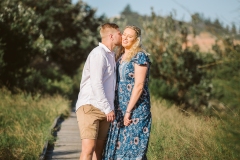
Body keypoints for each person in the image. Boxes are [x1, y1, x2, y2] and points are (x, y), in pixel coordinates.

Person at [103, 25, 152, 159]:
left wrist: (128, 111)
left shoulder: (140, 56)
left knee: (133, 150)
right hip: (119, 109)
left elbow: (139, 86)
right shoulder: (120, 56)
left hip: (136, 110)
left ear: (136, 40)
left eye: (129, 36)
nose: (125, 38)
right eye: (124, 34)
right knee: (119, 149)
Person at [75, 23, 122, 160]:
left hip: (105, 110)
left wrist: (108, 109)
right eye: (120, 33)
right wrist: (108, 109)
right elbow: (96, 84)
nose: (122, 35)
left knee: (99, 152)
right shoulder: (98, 54)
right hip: (90, 107)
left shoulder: (111, 56)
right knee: (88, 149)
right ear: (111, 36)